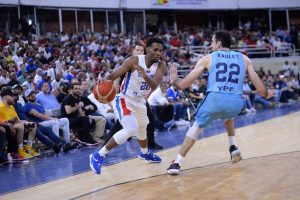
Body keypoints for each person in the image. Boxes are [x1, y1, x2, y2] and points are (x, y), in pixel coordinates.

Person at [167, 31, 273, 175]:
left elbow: (184, 84)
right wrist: (267, 94)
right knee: (228, 115)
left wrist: (174, 81)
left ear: (218, 43)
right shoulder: (245, 59)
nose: (211, 45)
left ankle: (177, 162)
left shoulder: (207, 58)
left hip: (215, 101)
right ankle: (233, 147)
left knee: (196, 127)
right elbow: (260, 89)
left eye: (212, 41)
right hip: (236, 104)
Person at [89, 38, 167, 175]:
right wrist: (104, 82)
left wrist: (144, 75)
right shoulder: (134, 61)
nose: (158, 53)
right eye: (155, 50)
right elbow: (115, 74)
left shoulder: (161, 66)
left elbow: (154, 85)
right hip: (124, 99)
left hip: (140, 101)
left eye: (160, 50)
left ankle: (144, 153)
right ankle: (98, 155)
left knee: (143, 127)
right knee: (131, 129)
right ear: (147, 49)